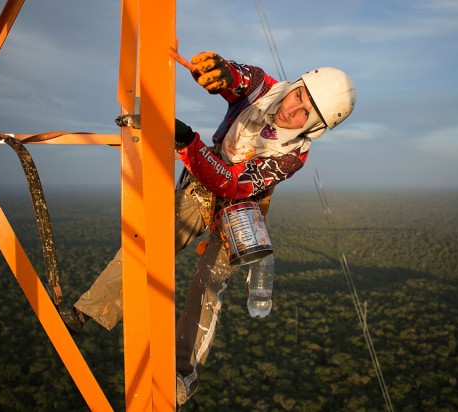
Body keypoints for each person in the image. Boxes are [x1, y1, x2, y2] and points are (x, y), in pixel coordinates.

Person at [59, 51, 356, 405]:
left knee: (208, 284)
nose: (292, 110)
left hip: (240, 204)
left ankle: (182, 375)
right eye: (299, 96)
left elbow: (232, 184)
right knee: (151, 242)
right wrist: (218, 71)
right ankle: (89, 310)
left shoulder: (293, 155)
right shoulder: (263, 88)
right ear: (295, 85)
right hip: (201, 183)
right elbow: (237, 79)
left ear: (315, 128)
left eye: (305, 113)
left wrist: (187, 141)